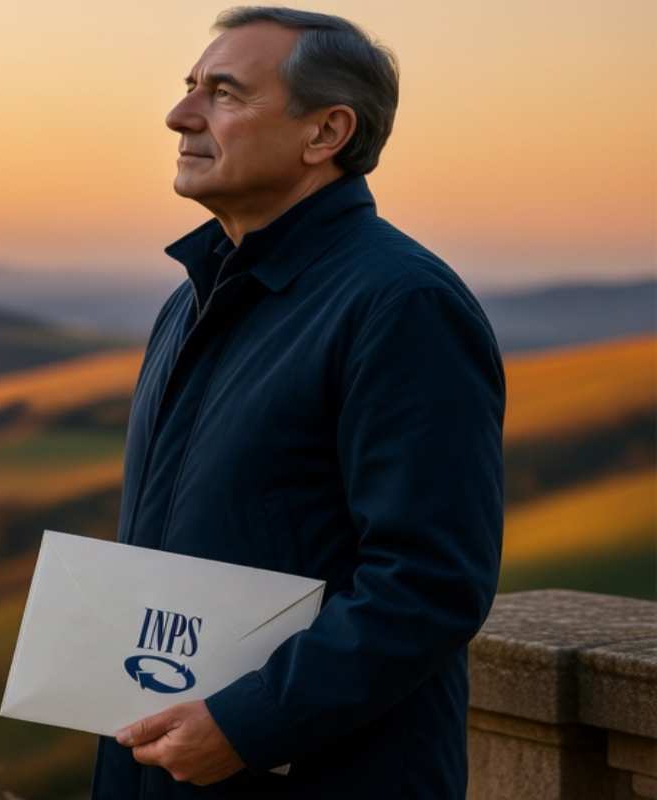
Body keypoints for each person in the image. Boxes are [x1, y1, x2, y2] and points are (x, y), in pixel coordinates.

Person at [90, 6, 506, 799]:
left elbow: (430, 581)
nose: (179, 115)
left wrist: (248, 725)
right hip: (165, 767)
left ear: (326, 134)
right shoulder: (194, 299)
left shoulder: (401, 304)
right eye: (189, 88)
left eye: (225, 93)